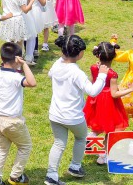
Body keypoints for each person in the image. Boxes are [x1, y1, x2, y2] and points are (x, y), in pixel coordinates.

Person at [45, 35, 107, 185]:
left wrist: (61, 59)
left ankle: (51, 175)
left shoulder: (57, 65)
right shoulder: (77, 73)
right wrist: (102, 75)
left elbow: (50, 74)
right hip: (73, 116)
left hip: (55, 114)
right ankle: (75, 166)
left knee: (59, 143)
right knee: (81, 138)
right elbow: (92, 91)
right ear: (79, 53)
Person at [0, 44, 35, 185]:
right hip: (14, 121)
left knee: (2, 147)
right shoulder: (16, 77)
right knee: (25, 146)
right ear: (18, 59)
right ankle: (16, 176)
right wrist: (24, 65)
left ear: (1, 57)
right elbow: (32, 82)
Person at [83, 42, 133, 165]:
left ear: (98, 56)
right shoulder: (112, 74)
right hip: (108, 102)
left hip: (96, 97)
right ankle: (103, 155)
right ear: (114, 57)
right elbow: (114, 94)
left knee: (97, 123)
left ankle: (91, 137)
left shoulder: (93, 67)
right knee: (110, 129)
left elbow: (93, 81)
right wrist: (130, 89)